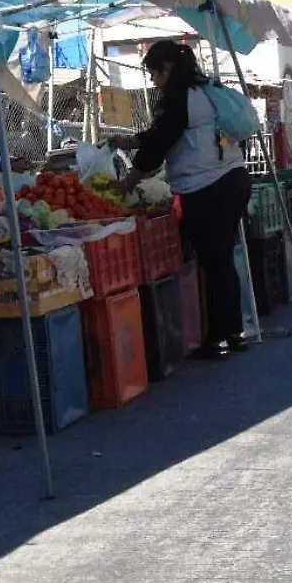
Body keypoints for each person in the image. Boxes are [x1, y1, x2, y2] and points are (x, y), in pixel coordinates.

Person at [108, 41, 251, 361]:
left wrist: (130, 180)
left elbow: (160, 142)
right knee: (223, 262)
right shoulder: (204, 88)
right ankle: (234, 332)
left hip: (207, 188)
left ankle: (218, 340)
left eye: (154, 74)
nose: (154, 81)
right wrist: (130, 140)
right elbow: (168, 133)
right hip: (233, 179)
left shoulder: (178, 96)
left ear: (167, 68)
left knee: (216, 265)